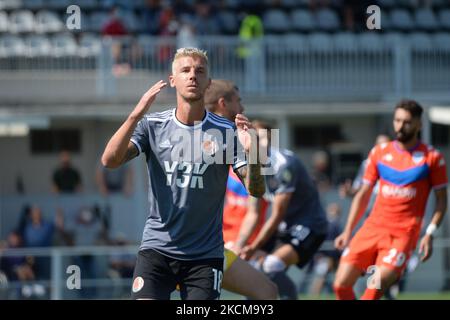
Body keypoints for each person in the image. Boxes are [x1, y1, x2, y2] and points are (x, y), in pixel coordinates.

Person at [101, 48, 265, 300]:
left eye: (199, 71)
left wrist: (253, 152)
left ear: (208, 83)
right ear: (172, 80)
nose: (192, 76)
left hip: (204, 256)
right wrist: (135, 114)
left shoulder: (228, 131)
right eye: (185, 70)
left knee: (268, 292)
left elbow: (257, 190)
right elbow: (109, 161)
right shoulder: (151, 126)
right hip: (157, 250)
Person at [333, 100, 448, 300]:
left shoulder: (432, 158)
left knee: (373, 287)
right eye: (397, 120)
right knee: (340, 285)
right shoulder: (379, 152)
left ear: (419, 124)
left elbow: (442, 200)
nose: (400, 126)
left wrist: (429, 233)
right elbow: (363, 194)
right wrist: (348, 230)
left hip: (402, 234)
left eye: (407, 122)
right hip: (371, 229)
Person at [204, 79, 278, 300]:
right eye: (238, 101)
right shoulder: (200, 136)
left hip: (234, 244)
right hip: (198, 245)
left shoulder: (242, 140)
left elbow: (256, 203)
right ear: (222, 104)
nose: (243, 108)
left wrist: (241, 243)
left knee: (269, 291)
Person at [240, 121, 329, 300]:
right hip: (284, 226)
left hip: (310, 225)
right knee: (252, 271)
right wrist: (240, 245)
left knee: (271, 265)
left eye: (260, 138)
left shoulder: (283, 165)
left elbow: (277, 214)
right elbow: (254, 212)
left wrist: (254, 246)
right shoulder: (251, 168)